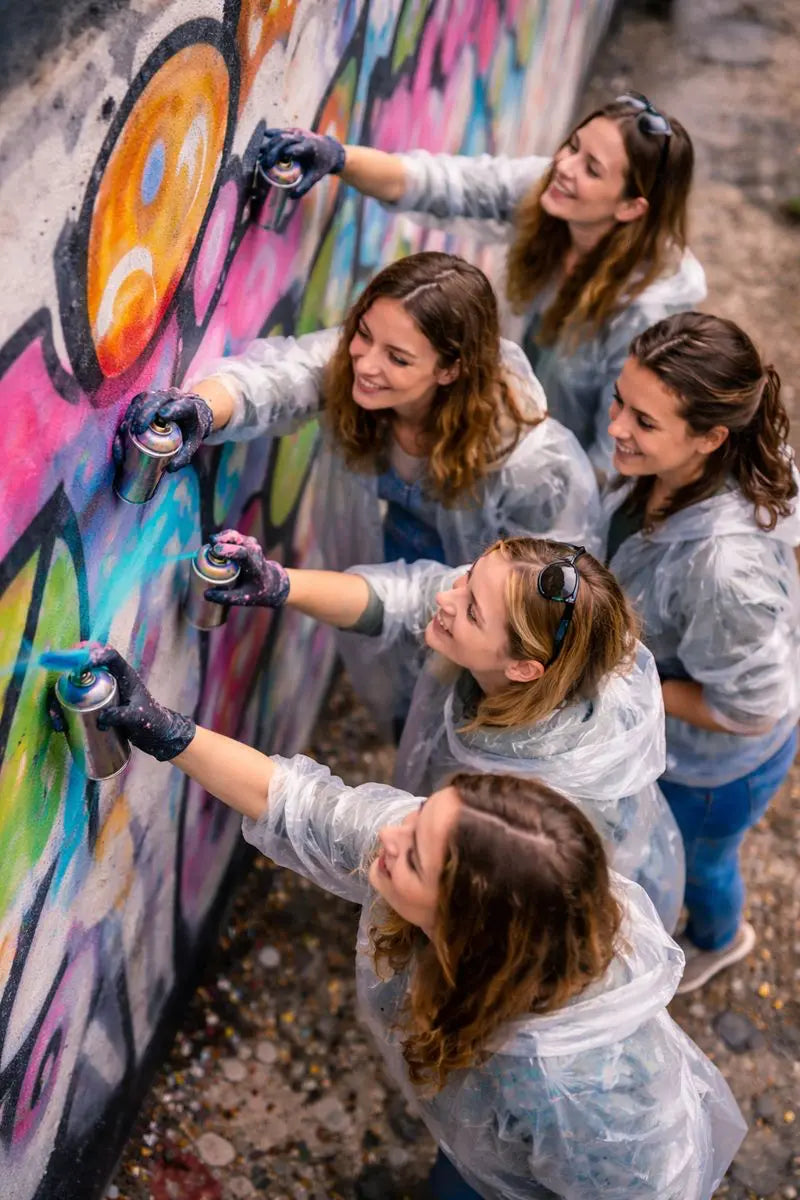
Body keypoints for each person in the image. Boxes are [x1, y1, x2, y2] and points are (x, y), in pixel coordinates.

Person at [66, 644, 745, 1200]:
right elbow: (300, 804)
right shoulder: (478, 886)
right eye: (421, 815)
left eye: (414, 856)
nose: (390, 835)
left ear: (469, 928)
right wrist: (169, 732)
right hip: (485, 1131)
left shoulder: (587, 1099)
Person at [115, 251, 602, 730]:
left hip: (478, 608)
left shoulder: (535, 465)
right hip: (400, 572)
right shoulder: (362, 372)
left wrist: (288, 586)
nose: (366, 363)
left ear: (450, 368)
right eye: (363, 334)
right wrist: (200, 408)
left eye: (398, 358)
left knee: (452, 716)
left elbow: (544, 604)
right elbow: (281, 377)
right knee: (402, 700)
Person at [196, 529, 685, 932]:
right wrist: (282, 585)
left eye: (471, 610)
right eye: (468, 577)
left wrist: (175, 738)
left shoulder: (539, 805)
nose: (446, 598)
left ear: (522, 669)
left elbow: (346, 825)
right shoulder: (532, 637)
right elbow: (405, 600)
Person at [257, 94, 706, 475]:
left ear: (631, 207)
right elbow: (445, 184)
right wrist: (338, 158)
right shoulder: (550, 192)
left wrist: (559, 526)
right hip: (490, 440)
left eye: (591, 168)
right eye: (571, 146)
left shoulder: (647, 312)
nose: (564, 167)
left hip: (558, 477)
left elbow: (619, 454)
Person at [604, 311, 800, 993]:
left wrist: (609, 681)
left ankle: (719, 937)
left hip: (714, 772)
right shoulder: (732, 454)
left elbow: (751, 710)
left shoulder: (725, 574)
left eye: (645, 422)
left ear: (711, 438)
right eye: (619, 401)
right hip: (686, 734)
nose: (615, 429)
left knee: (702, 865)